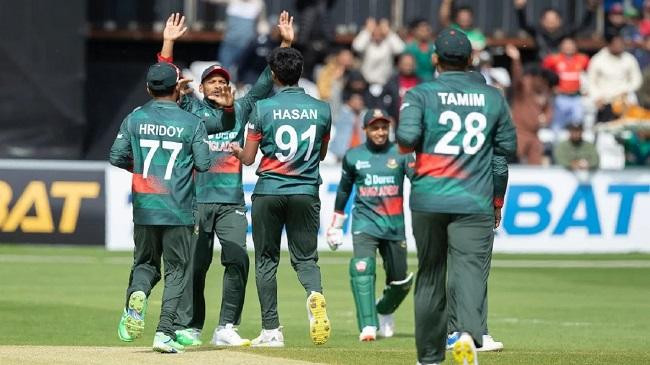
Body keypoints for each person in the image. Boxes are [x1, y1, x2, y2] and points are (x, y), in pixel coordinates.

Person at [155, 12, 294, 347]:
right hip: (196, 202)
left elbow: (271, 76)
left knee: (237, 259)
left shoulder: (244, 107)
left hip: (231, 201)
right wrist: (169, 42)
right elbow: (162, 78)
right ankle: (190, 326)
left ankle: (226, 327)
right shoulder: (189, 108)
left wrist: (287, 43)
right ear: (200, 88)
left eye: (222, 80)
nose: (218, 84)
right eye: (212, 81)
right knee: (195, 267)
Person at [396, 28, 516, 365]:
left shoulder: (420, 94)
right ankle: (468, 335)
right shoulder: (493, 98)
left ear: (434, 59)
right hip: (473, 198)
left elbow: (406, 141)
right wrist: (495, 200)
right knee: (471, 270)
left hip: (430, 197)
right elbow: (505, 151)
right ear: (471, 59)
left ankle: (429, 357)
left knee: (431, 274)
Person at [232, 46, 332, 347]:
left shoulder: (262, 109)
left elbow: (248, 159)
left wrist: (236, 150)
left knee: (266, 261)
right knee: (306, 259)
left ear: (273, 75)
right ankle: (314, 294)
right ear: (300, 73)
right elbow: (322, 153)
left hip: (270, 191)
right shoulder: (322, 109)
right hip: (305, 190)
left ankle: (272, 331)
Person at [110, 62, 212, 353]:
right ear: (178, 88)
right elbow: (204, 164)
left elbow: (116, 156)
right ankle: (164, 332)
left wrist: (144, 170)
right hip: (178, 208)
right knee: (177, 270)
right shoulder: (192, 123)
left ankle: (139, 294)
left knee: (144, 264)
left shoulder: (135, 118)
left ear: (148, 88)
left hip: (145, 205)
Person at [326, 109, 414, 342]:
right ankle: (368, 325)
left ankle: (385, 309)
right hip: (364, 223)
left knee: (400, 281)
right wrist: (336, 223)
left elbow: (418, 180)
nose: (380, 132)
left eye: (384, 127)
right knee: (363, 269)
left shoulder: (402, 153)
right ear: (365, 130)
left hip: (395, 225)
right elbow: (344, 189)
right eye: (375, 127)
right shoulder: (354, 156)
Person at [506, 44, 555, 164]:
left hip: (534, 135)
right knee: (513, 160)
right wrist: (516, 60)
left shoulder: (544, 92)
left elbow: (549, 110)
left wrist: (546, 118)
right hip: (519, 133)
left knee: (536, 163)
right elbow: (517, 77)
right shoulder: (524, 89)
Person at [587, 32, 643, 123]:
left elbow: (637, 80)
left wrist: (626, 90)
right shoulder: (598, 59)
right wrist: (597, 96)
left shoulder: (629, 59)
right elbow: (591, 81)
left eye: (621, 44)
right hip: (605, 99)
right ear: (609, 44)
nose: (619, 46)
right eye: (616, 44)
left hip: (625, 98)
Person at [514, 0, 599, 59]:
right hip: (544, 68)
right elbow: (524, 25)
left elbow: (583, 25)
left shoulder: (566, 33)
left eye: (554, 19)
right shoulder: (538, 32)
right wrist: (520, 8)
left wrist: (591, 8)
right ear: (542, 21)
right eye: (548, 19)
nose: (551, 22)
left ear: (560, 21)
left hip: (563, 68)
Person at [542, 37, 590, 133]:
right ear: (561, 46)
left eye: (571, 44)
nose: (568, 47)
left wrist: (586, 88)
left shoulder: (583, 59)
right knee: (557, 126)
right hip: (561, 97)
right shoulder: (553, 59)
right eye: (566, 45)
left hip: (577, 97)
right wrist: (551, 88)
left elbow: (590, 75)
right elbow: (544, 74)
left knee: (577, 123)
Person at [352, 17, 405, 86]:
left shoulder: (388, 42)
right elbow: (357, 47)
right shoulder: (367, 43)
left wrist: (389, 32)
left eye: (380, 31)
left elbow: (400, 49)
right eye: (374, 31)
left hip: (385, 82)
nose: (377, 34)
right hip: (367, 82)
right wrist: (367, 31)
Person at [329, 89, 366, 161]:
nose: (358, 103)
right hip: (342, 154)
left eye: (360, 100)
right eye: (355, 100)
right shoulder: (341, 114)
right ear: (349, 102)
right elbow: (334, 103)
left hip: (361, 154)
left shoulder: (365, 115)